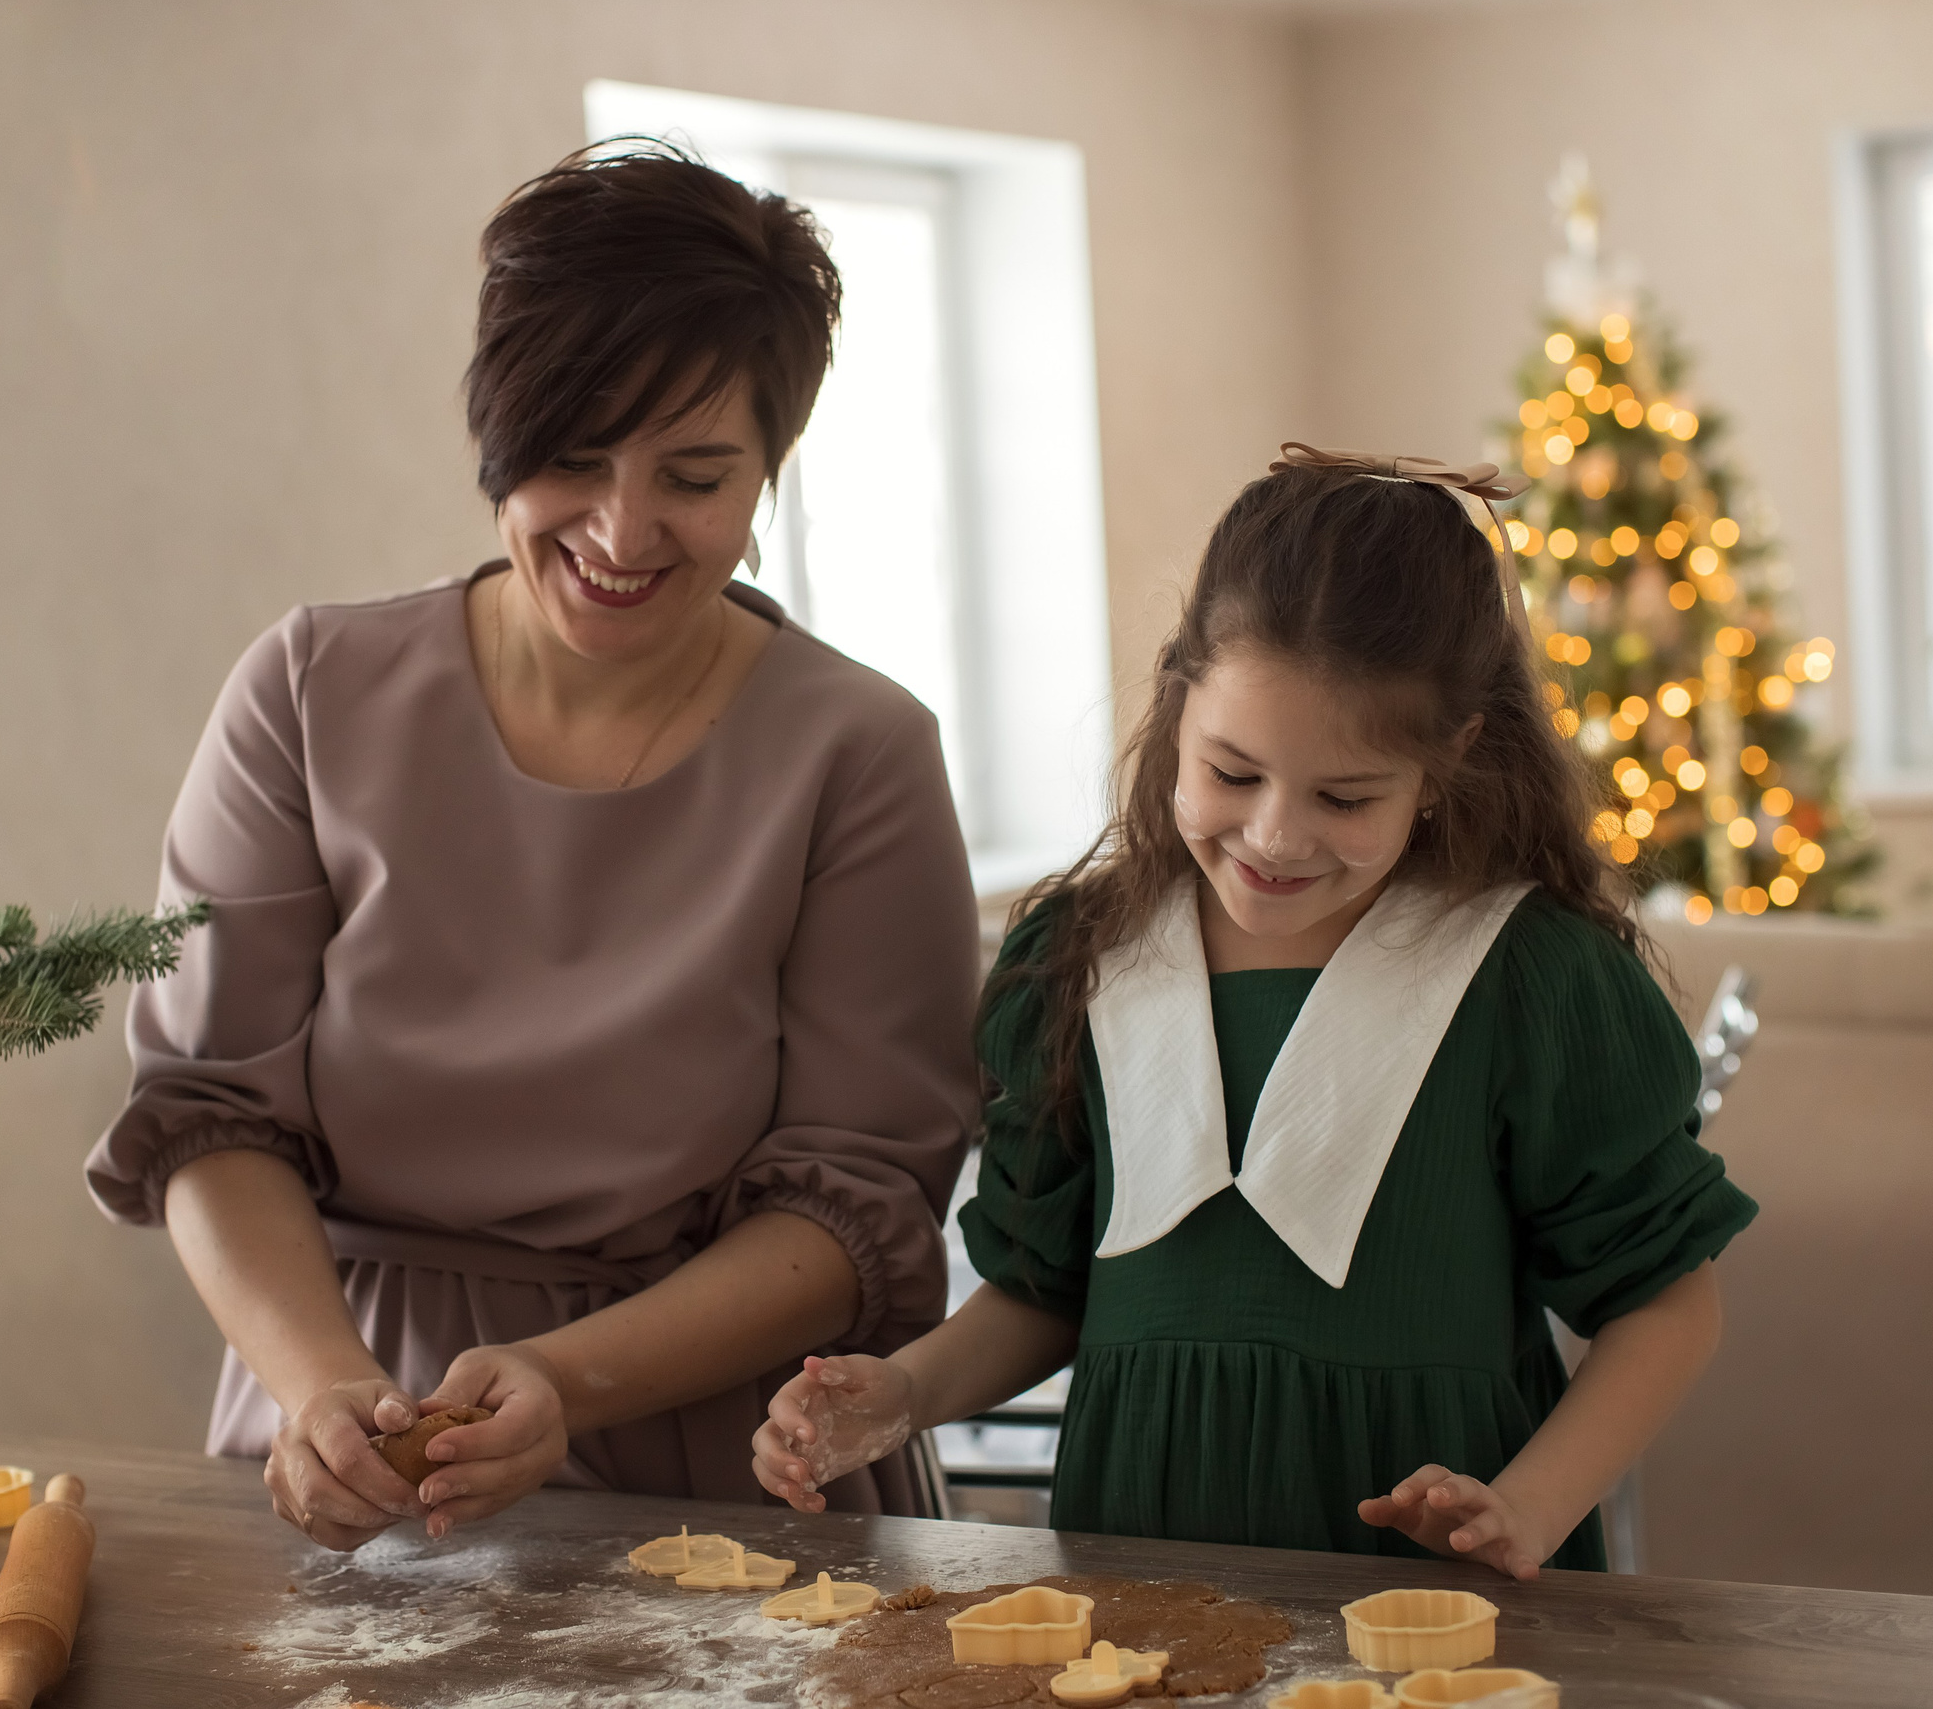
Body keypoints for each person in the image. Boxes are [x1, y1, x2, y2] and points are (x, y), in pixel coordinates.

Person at [86, 144, 977, 1549]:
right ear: (498, 435)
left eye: (694, 474)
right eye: (574, 459)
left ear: (770, 471)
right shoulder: (311, 690)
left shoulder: (858, 749)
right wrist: (322, 1385)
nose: (623, 531)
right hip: (352, 1438)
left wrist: (567, 1378)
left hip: (726, 1462)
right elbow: (210, 1114)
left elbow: (853, 1208)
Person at [753, 444, 1757, 1579]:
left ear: (1451, 759)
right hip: (1130, 1575)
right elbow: (1047, 1290)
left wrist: (1526, 1504)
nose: (1275, 836)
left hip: (1437, 1610)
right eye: (1232, 772)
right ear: (1177, 703)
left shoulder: (1531, 978)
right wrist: (906, 1389)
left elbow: (1667, 1307)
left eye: (1343, 796)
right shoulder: (1081, 960)